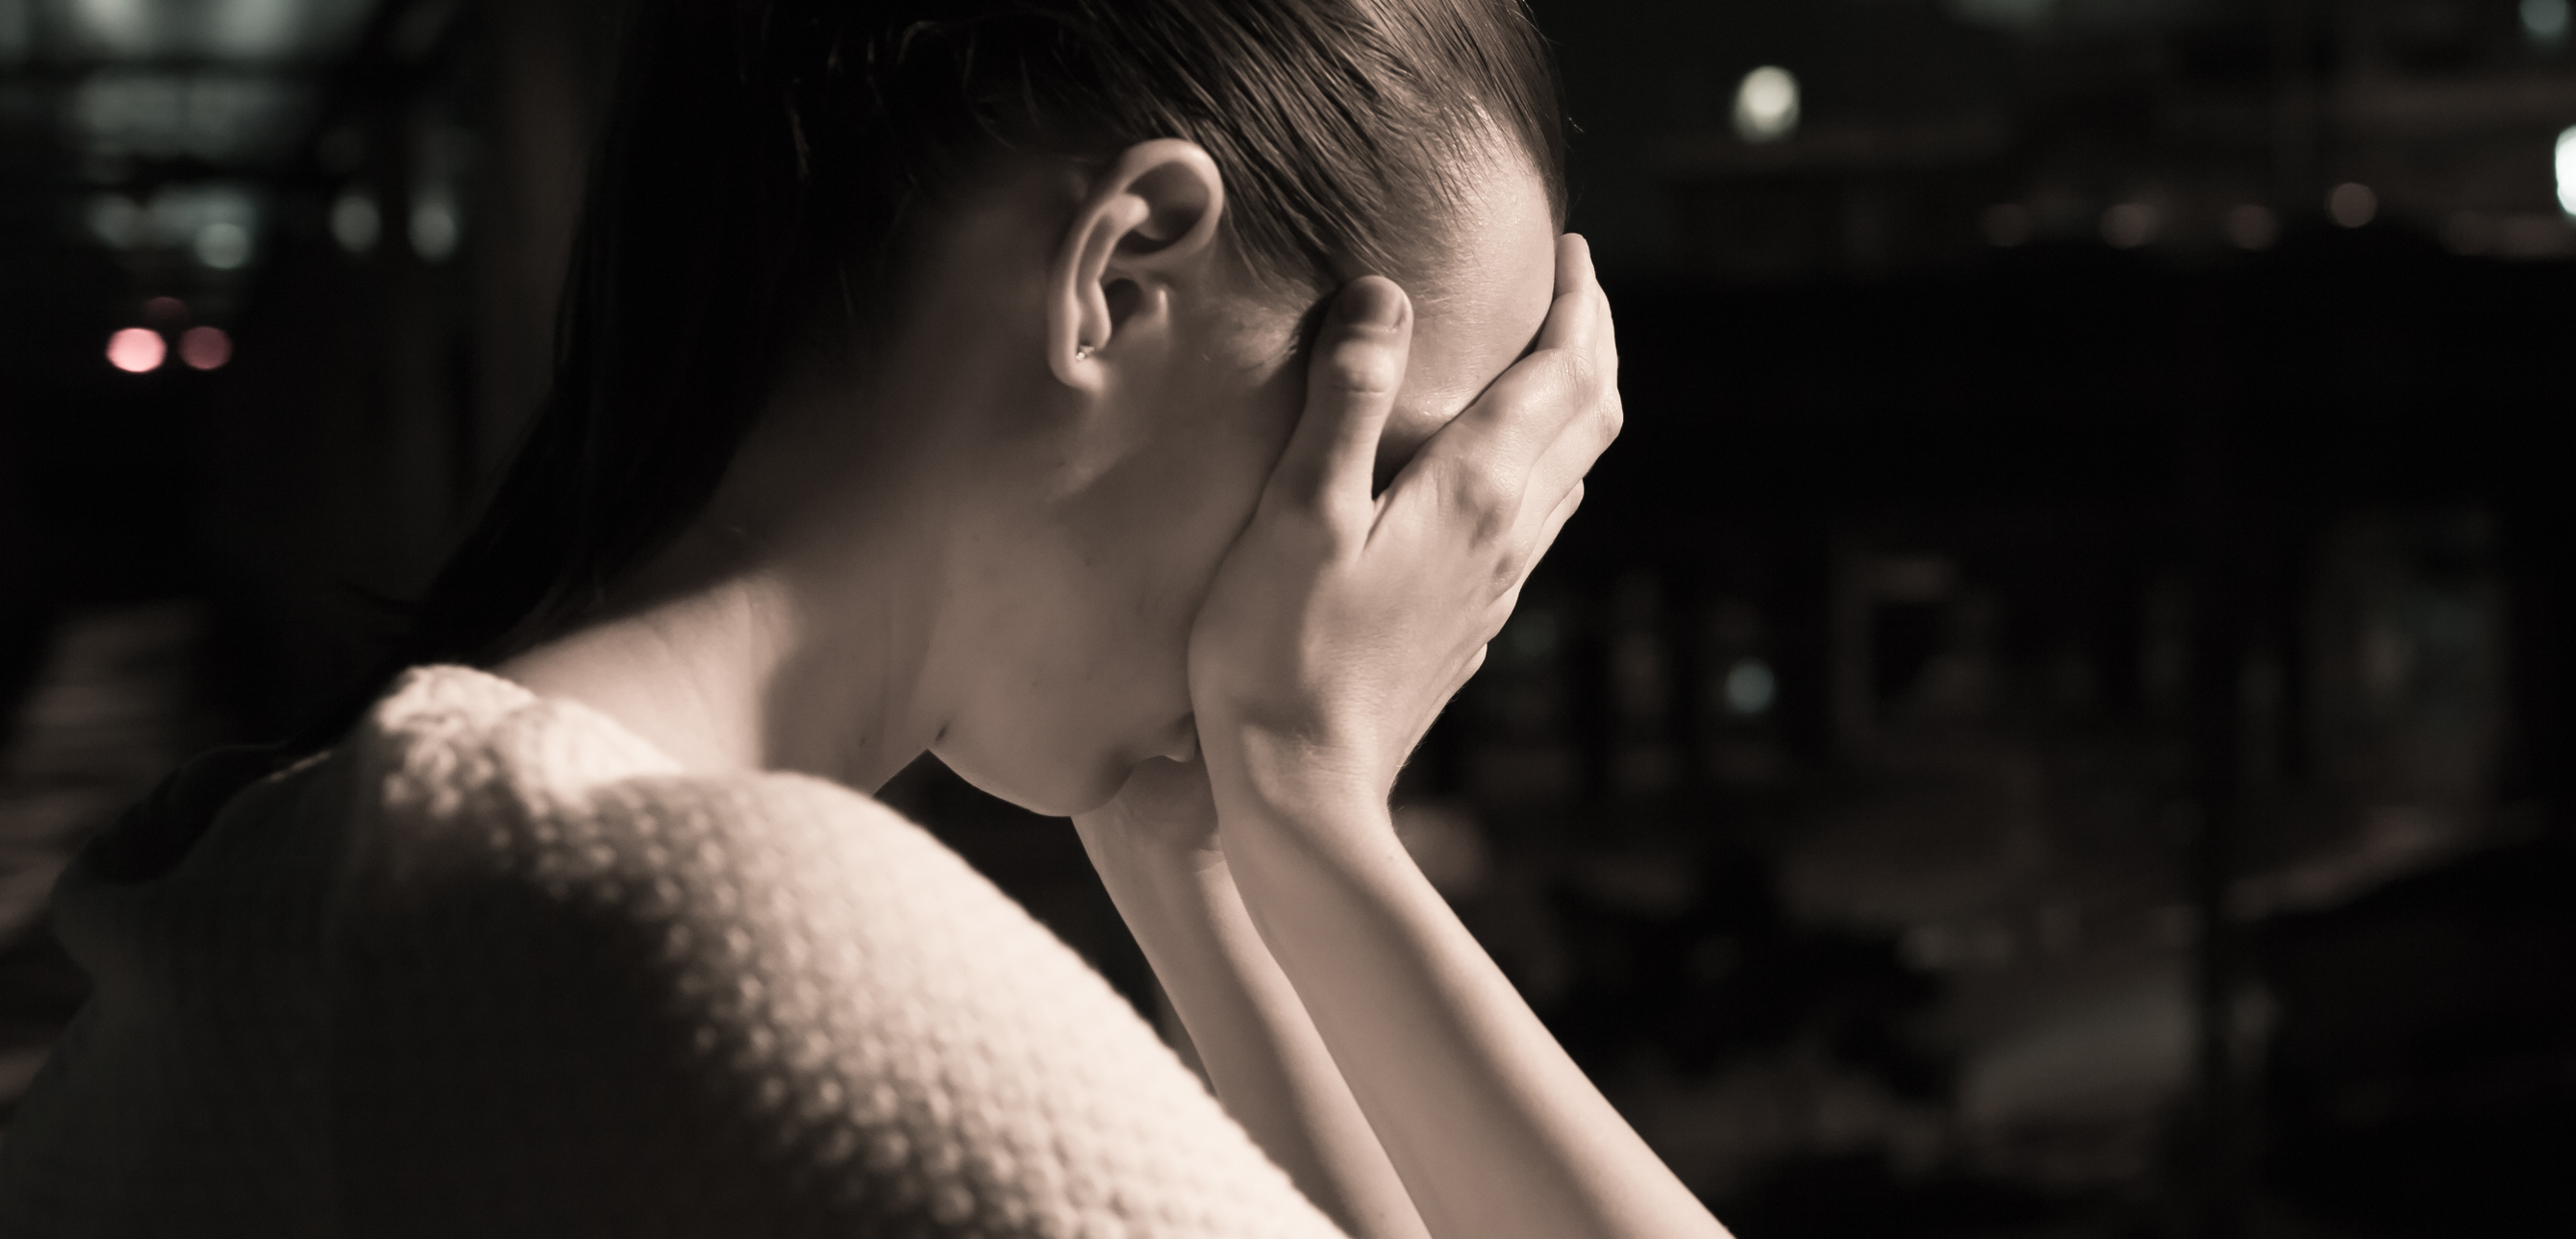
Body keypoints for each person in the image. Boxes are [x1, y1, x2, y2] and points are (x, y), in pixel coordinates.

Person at [0, 1, 1721, 1236]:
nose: (1377, 572)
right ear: (1120, 274)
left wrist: (1209, 845)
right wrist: (1315, 810)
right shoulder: (700, 934)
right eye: (1388, 467)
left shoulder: (341, 863)